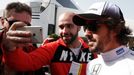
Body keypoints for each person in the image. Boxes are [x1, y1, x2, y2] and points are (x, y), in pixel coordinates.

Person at [1, 12, 97, 75]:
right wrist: (10, 49)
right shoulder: (52, 48)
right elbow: (26, 63)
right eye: (61, 27)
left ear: (79, 27)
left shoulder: (91, 50)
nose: (64, 31)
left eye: (69, 26)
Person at [73, 1, 134, 75]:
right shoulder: (91, 65)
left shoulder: (131, 66)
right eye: (85, 27)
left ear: (116, 29)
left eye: (93, 26)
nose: (86, 33)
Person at [0, 2, 45, 75]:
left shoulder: (31, 48)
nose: (19, 28)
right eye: (13, 23)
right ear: (2, 22)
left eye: (26, 25)